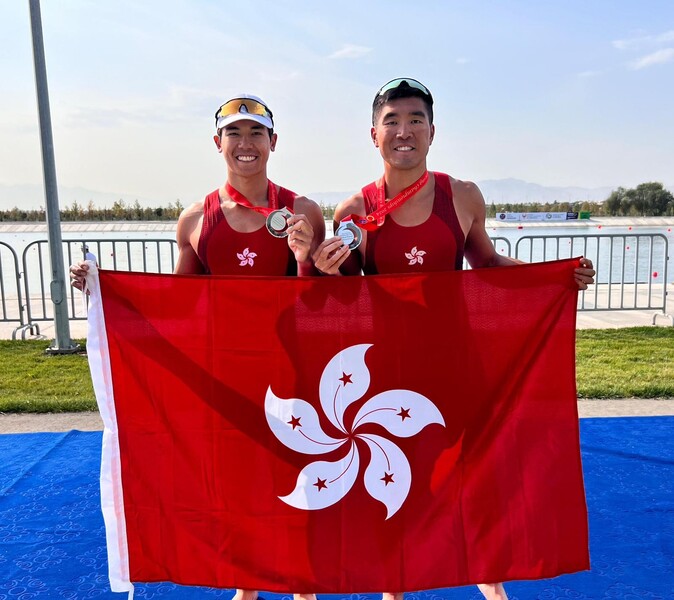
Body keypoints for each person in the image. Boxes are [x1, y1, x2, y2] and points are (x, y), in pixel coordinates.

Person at [312, 77, 595, 600]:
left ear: (433, 131)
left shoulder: (461, 196)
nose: (404, 131)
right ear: (372, 134)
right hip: (390, 368)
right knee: (397, 473)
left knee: (472, 469)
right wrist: (328, 271)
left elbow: (486, 264)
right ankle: (394, 584)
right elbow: (349, 292)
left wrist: (554, 276)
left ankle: (487, 572)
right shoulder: (354, 209)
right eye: (392, 121)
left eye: (415, 120)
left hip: (456, 359)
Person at [70, 94, 323, 600]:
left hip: (293, 371)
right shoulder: (195, 219)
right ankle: (246, 585)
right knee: (233, 484)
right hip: (225, 374)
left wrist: (304, 259)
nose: (246, 144)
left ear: (273, 143)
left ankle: (302, 586)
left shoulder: (302, 210)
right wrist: (106, 294)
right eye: (235, 134)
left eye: (256, 134)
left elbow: (322, 304)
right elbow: (179, 307)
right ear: (217, 143)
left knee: (296, 479)